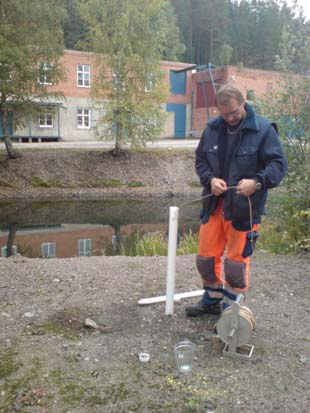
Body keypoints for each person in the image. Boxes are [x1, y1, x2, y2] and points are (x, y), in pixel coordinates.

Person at [186, 84, 287, 316]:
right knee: (206, 259)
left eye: (234, 113)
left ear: (244, 103)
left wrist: (257, 182)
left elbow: (278, 165)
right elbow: (200, 160)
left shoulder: (263, 129)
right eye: (224, 114)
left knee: (235, 264)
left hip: (244, 210)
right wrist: (210, 179)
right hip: (213, 206)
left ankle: (232, 313)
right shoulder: (212, 128)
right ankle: (211, 301)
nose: (230, 118)